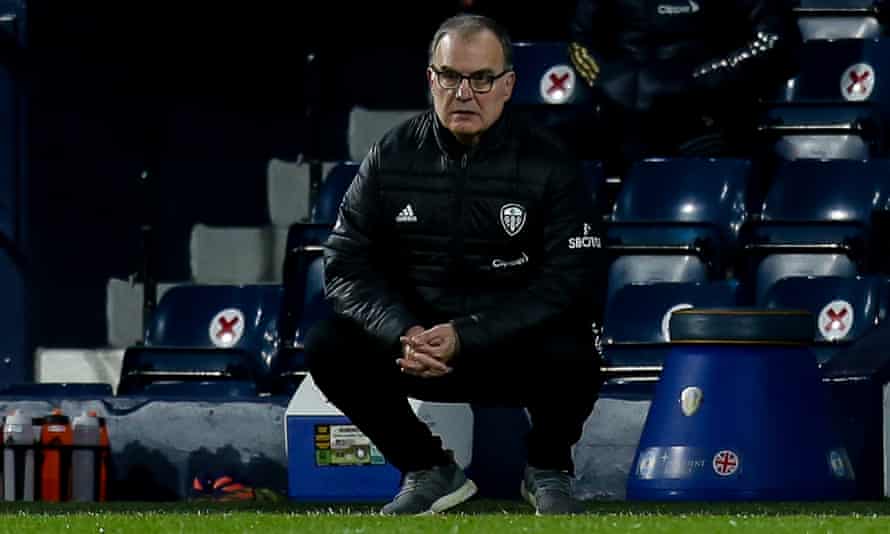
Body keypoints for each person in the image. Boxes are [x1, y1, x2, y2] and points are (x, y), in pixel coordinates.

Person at [305, 14, 604, 515]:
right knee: (328, 345)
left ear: (507, 85)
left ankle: (548, 466)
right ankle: (428, 468)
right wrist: (402, 332)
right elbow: (345, 265)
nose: (464, 93)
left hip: (509, 347)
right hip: (418, 347)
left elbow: (570, 280)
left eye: (481, 79)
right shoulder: (391, 154)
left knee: (578, 345)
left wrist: (468, 334)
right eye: (450, 76)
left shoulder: (550, 161)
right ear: (431, 79)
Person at [568, 0, 801, 173]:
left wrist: (700, 78)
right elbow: (579, 40)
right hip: (629, 121)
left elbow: (774, 39)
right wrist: (608, 80)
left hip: (712, 119)